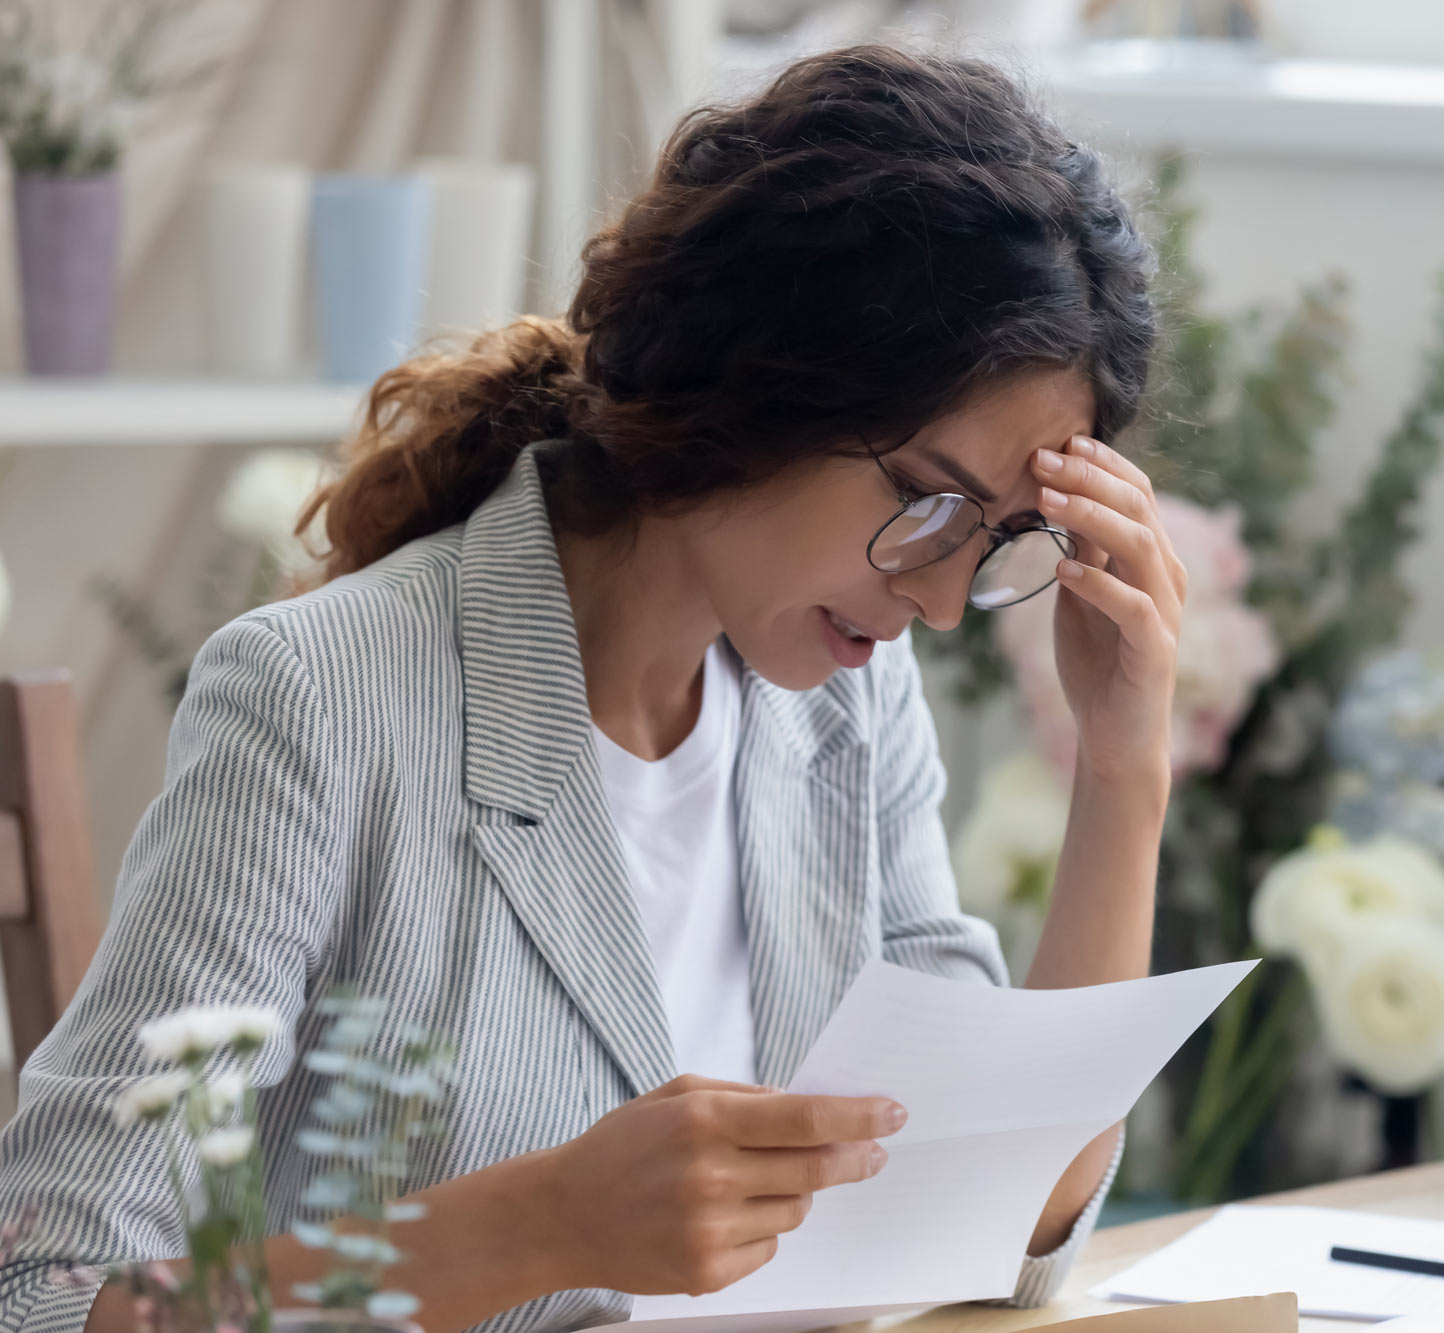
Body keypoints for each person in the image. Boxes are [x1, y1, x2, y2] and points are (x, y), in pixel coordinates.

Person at [0, 43, 1184, 1333]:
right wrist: (538, 1226)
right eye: (930, 503)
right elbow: (49, 1297)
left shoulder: (843, 705)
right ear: (757, 380)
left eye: (998, 534)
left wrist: (1123, 771)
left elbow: (990, 1217)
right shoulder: (320, 702)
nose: (944, 602)